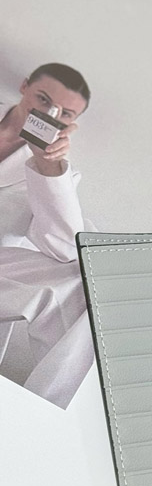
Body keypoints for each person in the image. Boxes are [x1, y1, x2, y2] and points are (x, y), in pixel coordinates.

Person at [0, 64, 94, 408]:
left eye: (64, 113)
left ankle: (48, 413)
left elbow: (66, 249)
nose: (48, 113)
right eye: (43, 99)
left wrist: (46, 165)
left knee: (78, 283)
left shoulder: (55, 171)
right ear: (25, 86)